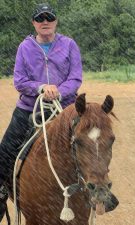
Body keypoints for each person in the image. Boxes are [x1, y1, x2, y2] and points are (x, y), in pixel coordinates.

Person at [0, 3, 82, 222]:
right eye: (40, 18)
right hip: (29, 109)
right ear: (34, 23)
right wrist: (41, 88)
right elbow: (19, 81)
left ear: (55, 21)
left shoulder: (70, 45)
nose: (45, 22)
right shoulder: (24, 47)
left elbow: (75, 78)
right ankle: (1, 193)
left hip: (65, 109)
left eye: (49, 18)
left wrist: (58, 92)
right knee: (4, 152)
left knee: (89, 146)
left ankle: (97, 193)